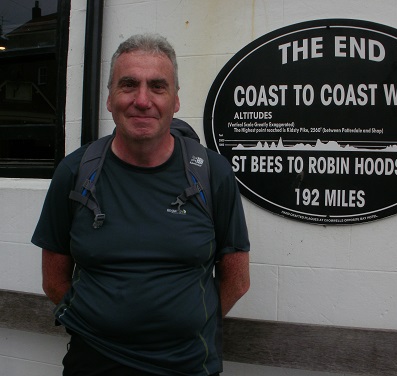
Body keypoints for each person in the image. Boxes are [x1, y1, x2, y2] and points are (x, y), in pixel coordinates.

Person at [32, 33, 250, 376]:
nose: (142, 100)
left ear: (175, 100)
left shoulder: (212, 174)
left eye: (158, 87)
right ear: (110, 98)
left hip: (187, 365)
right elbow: (53, 279)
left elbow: (237, 280)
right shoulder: (75, 172)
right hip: (93, 362)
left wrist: (183, 327)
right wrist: (99, 322)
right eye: (129, 85)